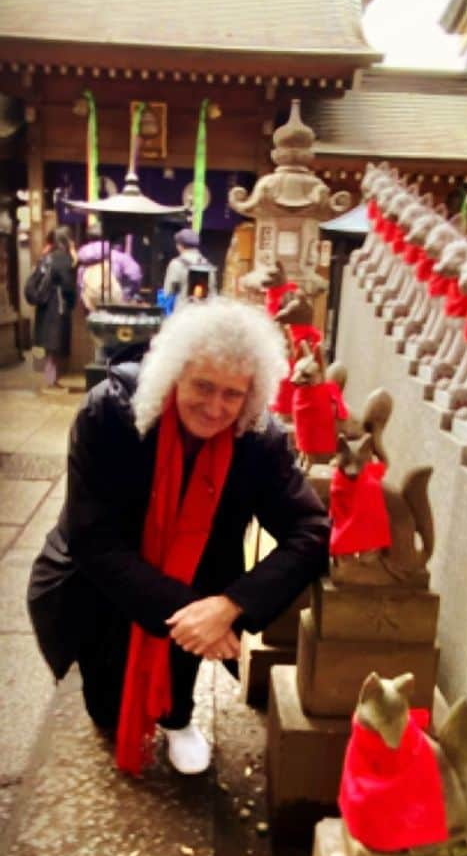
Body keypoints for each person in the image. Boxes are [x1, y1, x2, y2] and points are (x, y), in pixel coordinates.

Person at [27, 297, 330, 777]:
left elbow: (311, 529)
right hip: (102, 584)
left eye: (233, 394)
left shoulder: (258, 439)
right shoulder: (109, 414)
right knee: (107, 711)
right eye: (202, 386)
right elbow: (95, 539)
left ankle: (178, 715)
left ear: (251, 395)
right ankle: (127, 696)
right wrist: (192, 616)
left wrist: (231, 606)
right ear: (173, 375)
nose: (215, 408)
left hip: (201, 578)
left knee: (193, 621)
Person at [30, 227, 77, 390]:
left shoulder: (46, 257)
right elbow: (68, 285)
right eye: (70, 238)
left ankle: (52, 378)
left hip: (45, 306)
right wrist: (72, 302)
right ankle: (51, 380)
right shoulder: (63, 258)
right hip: (57, 306)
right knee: (55, 344)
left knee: (51, 346)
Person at [162, 228, 218, 303]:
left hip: (184, 312)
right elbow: (213, 294)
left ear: (180, 246)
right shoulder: (208, 265)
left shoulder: (176, 264)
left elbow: (168, 293)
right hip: (205, 312)